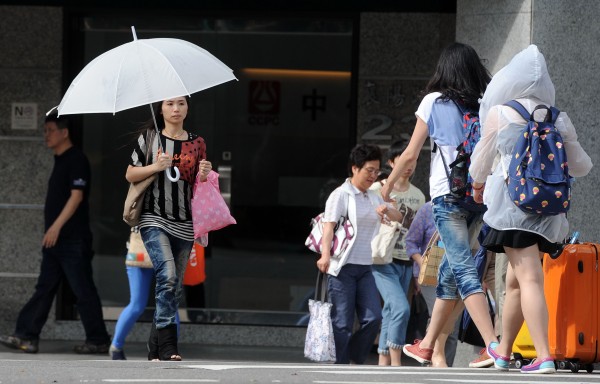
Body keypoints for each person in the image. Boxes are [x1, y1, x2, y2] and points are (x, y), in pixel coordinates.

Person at [469, 44, 592, 374]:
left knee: (529, 278)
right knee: (514, 281)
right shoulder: (558, 117)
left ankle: (544, 355)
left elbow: (480, 161)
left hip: (512, 207)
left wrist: (478, 187)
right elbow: (581, 167)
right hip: (547, 210)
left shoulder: (501, 113)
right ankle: (505, 351)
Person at [379, 42, 499, 365]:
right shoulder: (483, 104)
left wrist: (388, 185)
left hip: (447, 196)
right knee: (448, 272)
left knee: (461, 269)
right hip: (477, 197)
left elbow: (410, 155)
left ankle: (492, 344)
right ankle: (427, 345)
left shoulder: (433, 101)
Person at [0, 114, 111, 354]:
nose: (46, 135)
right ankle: (27, 336)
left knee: (83, 290)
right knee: (45, 288)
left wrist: (55, 227)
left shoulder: (76, 159)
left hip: (71, 239)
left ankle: (98, 340)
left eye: (50, 130)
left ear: (64, 132)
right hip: (57, 241)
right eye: (45, 131)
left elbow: (76, 196)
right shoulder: (60, 160)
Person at [126, 96, 212, 361]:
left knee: (172, 288)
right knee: (169, 275)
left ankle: (154, 347)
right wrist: (156, 165)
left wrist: (205, 174)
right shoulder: (150, 139)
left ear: (187, 108)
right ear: (160, 109)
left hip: (185, 223)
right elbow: (130, 173)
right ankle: (168, 345)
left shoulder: (197, 143)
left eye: (181, 104)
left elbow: (198, 186)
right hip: (154, 218)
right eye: (170, 104)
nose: (176, 109)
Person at [316, 143, 404, 364]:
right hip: (342, 267)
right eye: (369, 170)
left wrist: (387, 209)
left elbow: (398, 217)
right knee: (342, 323)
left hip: (366, 266)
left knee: (373, 318)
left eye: (376, 171)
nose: (373, 175)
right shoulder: (341, 195)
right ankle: (341, 364)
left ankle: (353, 357)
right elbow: (329, 226)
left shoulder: (374, 196)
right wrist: (325, 255)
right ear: (355, 168)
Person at [369, 141, 425, 366]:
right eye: (403, 160)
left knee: (392, 310)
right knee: (401, 308)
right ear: (392, 163)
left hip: (406, 260)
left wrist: (418, 268)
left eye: (412, 161)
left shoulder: (419, 195)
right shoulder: (377, 189)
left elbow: (420, 234)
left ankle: (383, 361)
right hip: (383, 258)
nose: (409, 166)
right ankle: (395, 361)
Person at [108, 230, 180, 360]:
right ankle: (116, 346)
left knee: (156, 304)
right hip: (147, 251)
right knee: (145, 304)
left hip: (142, 251)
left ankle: (117, 346)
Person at [405, 201, 460, 367]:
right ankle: (431, 361)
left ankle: (443, 366)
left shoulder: (465, 207)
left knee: (453, 324)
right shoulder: (427, 209)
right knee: (439, 318)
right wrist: (423, 263)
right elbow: (411, 242)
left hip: (456, 273)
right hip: (431, 275)